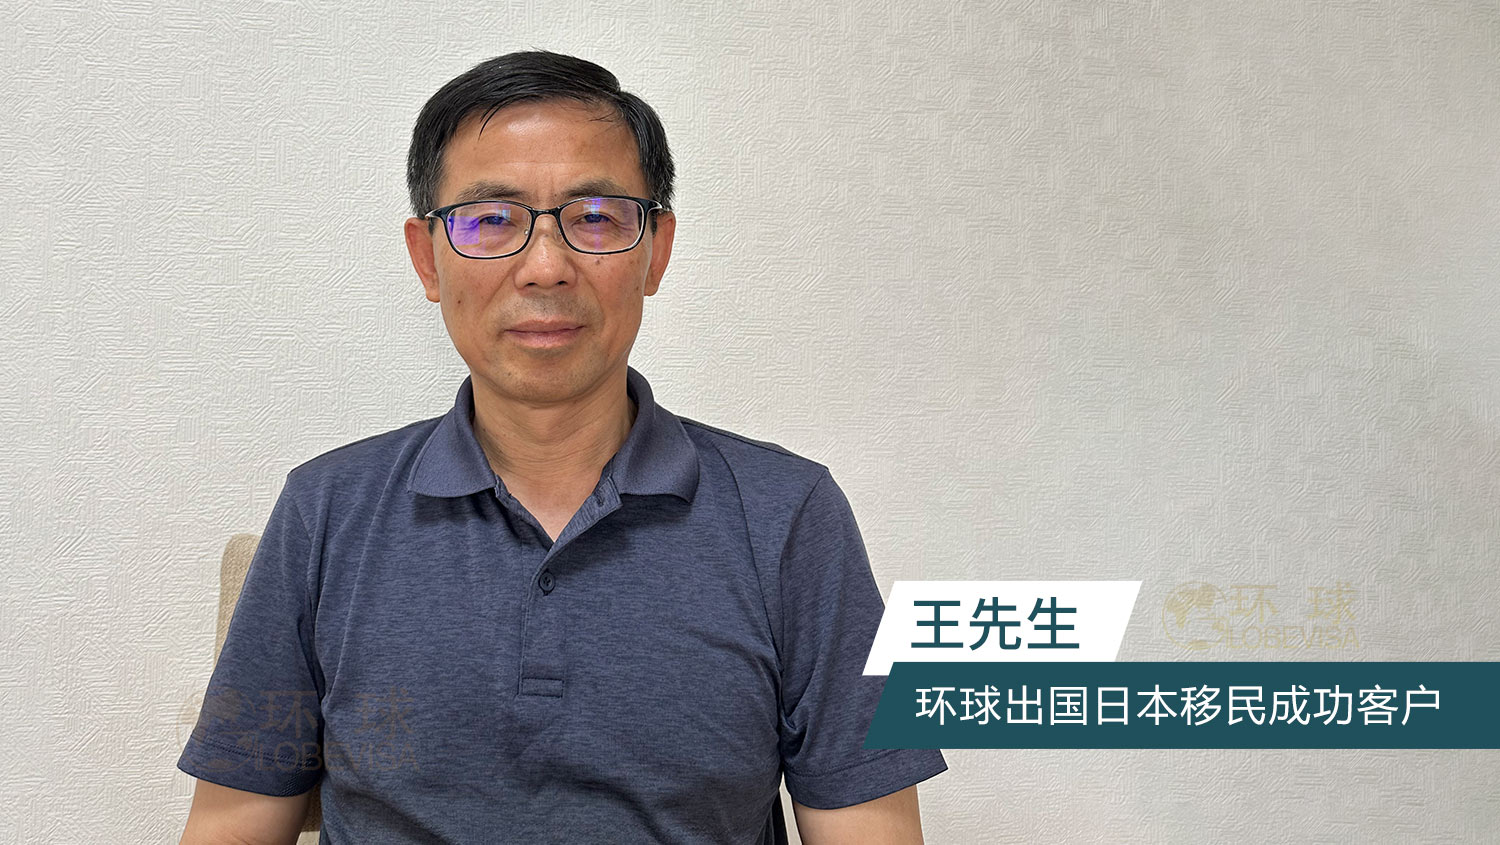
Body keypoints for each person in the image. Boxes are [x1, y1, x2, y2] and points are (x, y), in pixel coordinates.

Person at [177, 51, 947, 845]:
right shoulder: (326, 511)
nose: (545, 267)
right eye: (490, 220)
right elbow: (233, 822)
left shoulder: (791, 515)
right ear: (426, 257)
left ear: (656, 249)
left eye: (596, 217)